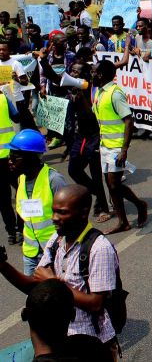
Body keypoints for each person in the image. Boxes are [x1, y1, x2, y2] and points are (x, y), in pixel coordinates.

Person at [0, 185, 122, 358]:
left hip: (93, 344)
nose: (54, 218)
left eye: (62, 213)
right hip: (62, 341)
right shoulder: (56, 240)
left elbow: (96, 303)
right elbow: (35, 288)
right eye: (53, 211)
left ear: (83, 212)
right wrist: (3, 265)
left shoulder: (99, 248)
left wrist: (54, 283)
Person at [38, 53, 111, 223]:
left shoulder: (88, 87)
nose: (74, 74)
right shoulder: (73, 87)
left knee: (95, 173)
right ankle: (96, 192)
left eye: (78, 72)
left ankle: (102, 207)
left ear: (85, 75)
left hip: (93, 134)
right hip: (80, 135)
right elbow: (54, 77)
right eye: (73, 71)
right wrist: (42, 60)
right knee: (73, 170)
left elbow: (89, 111)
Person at [91, 60, 148, 234]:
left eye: (94, 71)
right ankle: (123, 222)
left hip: (116, 147)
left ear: (100, 75)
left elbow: (129, 121)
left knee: (114, 184)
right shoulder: (100, 93)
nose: (91, 74)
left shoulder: (115, 93)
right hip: (105, 146)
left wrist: (124, 150)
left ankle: (139, 205)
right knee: (111, 185)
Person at [7, 129, 68, 275]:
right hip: (31, 253)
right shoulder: (21, 179)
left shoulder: (54, 180)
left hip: (54, 252)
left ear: (30, 158)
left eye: (14, 158)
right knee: (33, 296)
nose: (10, 161)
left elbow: (70, 216)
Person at [0, 89, 19, 245]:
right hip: (11, 156)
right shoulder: (3, 98)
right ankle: (21, 227)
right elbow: (16, 117)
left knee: (3, 200)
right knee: (21, 191)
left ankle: (11, 232)